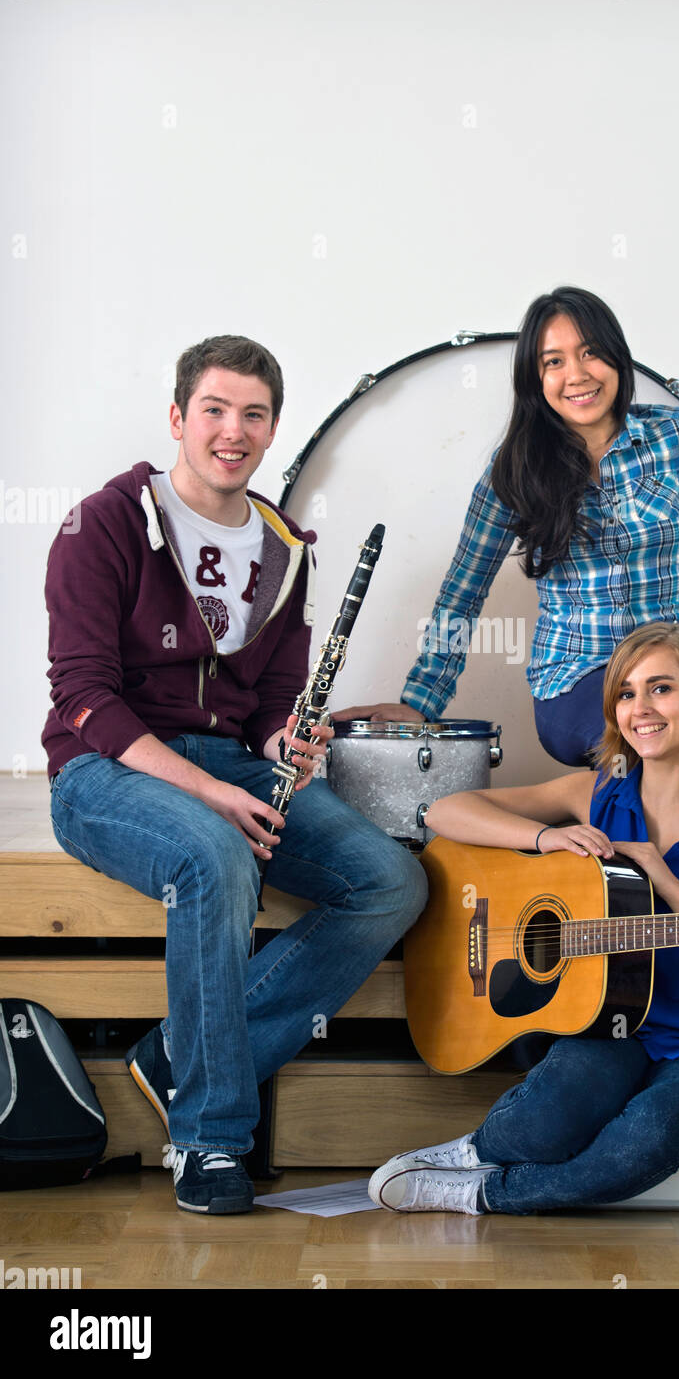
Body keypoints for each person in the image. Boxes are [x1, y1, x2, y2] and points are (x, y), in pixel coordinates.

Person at [42, 335, 427, 1215]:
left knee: (391, 883)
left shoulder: (286, 547)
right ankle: (209, 1139)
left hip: (231, 768)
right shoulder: (103, 524)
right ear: (178, 418)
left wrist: (286, 736)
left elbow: (267, 705)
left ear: (272, 428)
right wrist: (213, 791)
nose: (233, 430)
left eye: (253, 414)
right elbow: (83, 696)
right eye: (214, 409)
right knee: (213, 857)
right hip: (105, 768)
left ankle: (185, 1050)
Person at [334, 286, 679, 852]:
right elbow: (461, 596)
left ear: (616, 358)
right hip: (578, 684)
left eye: (589, 353)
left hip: (675, 667)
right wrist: (420, 702)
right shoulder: (513, 473)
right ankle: (676, 826)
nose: (576, 374)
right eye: (552, 362)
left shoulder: (673, 438)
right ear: (537, 380)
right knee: (646, 732)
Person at [368, 621, 679, 1214]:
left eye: (661, 689)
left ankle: (484, 1194)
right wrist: (545, 838)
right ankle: (480, 1149)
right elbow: (446, 811)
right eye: (625, 693)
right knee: (544, 1120)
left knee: (648, 1135)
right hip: (614, 1024)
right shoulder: (597, 791)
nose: (640, 708)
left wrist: (668, 881)